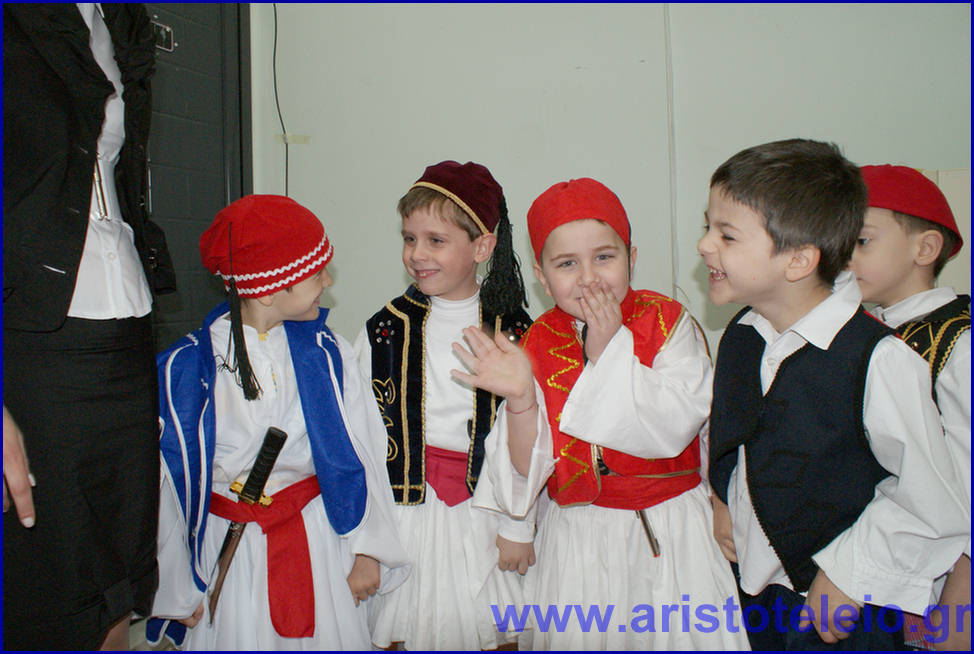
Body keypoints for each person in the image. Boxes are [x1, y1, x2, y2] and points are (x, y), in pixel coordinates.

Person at [457, 177, 751, 649]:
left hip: (671, 530)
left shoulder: (668, 322)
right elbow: (526, 464)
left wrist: (610, 347)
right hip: (579, 536)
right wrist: (520, 400)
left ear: (631, 258)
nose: (589, 278)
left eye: (604, 257)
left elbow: (674, 426)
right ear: (541, 276)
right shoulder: (536, 342)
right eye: (567, 264)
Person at [700, 139, 968, 650]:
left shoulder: (878, 358)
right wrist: (721, 498)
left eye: (727, 234)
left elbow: (931, 498)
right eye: (707, 227)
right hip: (757, 596)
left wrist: (848, 573)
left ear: (799, 260)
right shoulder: (742, 336)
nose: (705, 246)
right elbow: (733, 433)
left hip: (842, 608)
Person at [145, 195, 411, 650]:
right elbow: (166, 487)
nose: (328, 280)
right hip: (225, 554)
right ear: (268, 289)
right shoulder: (185, 370)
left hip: (317, 543)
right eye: (316, 273)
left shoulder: (329, 355)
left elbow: (363, 452)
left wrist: (368, 549)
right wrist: (173, 588)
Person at [3, 4, 177, 649]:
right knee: (43, 592)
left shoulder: (122, 22)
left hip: (123, 331)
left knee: (117, 586)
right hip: (31, 343)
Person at [354, 160, 536, 650]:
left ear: (482, 247)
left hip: (489, 512)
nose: (417, 254)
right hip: (406, 516)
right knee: (403, 630)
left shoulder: (516, 332)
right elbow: (362, 440)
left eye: (435, 240)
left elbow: (533, 440)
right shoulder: (383, 331)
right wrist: (366, 544)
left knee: (493, 632)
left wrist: (518, 523)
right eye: (409, 238)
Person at [851, 164, 970, 651]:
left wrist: (962, 589)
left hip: (951, 587)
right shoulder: (866, 335)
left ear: (925, 249)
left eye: (861, 241)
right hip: (891, 582)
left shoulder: (958, 342)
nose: (843, 257)